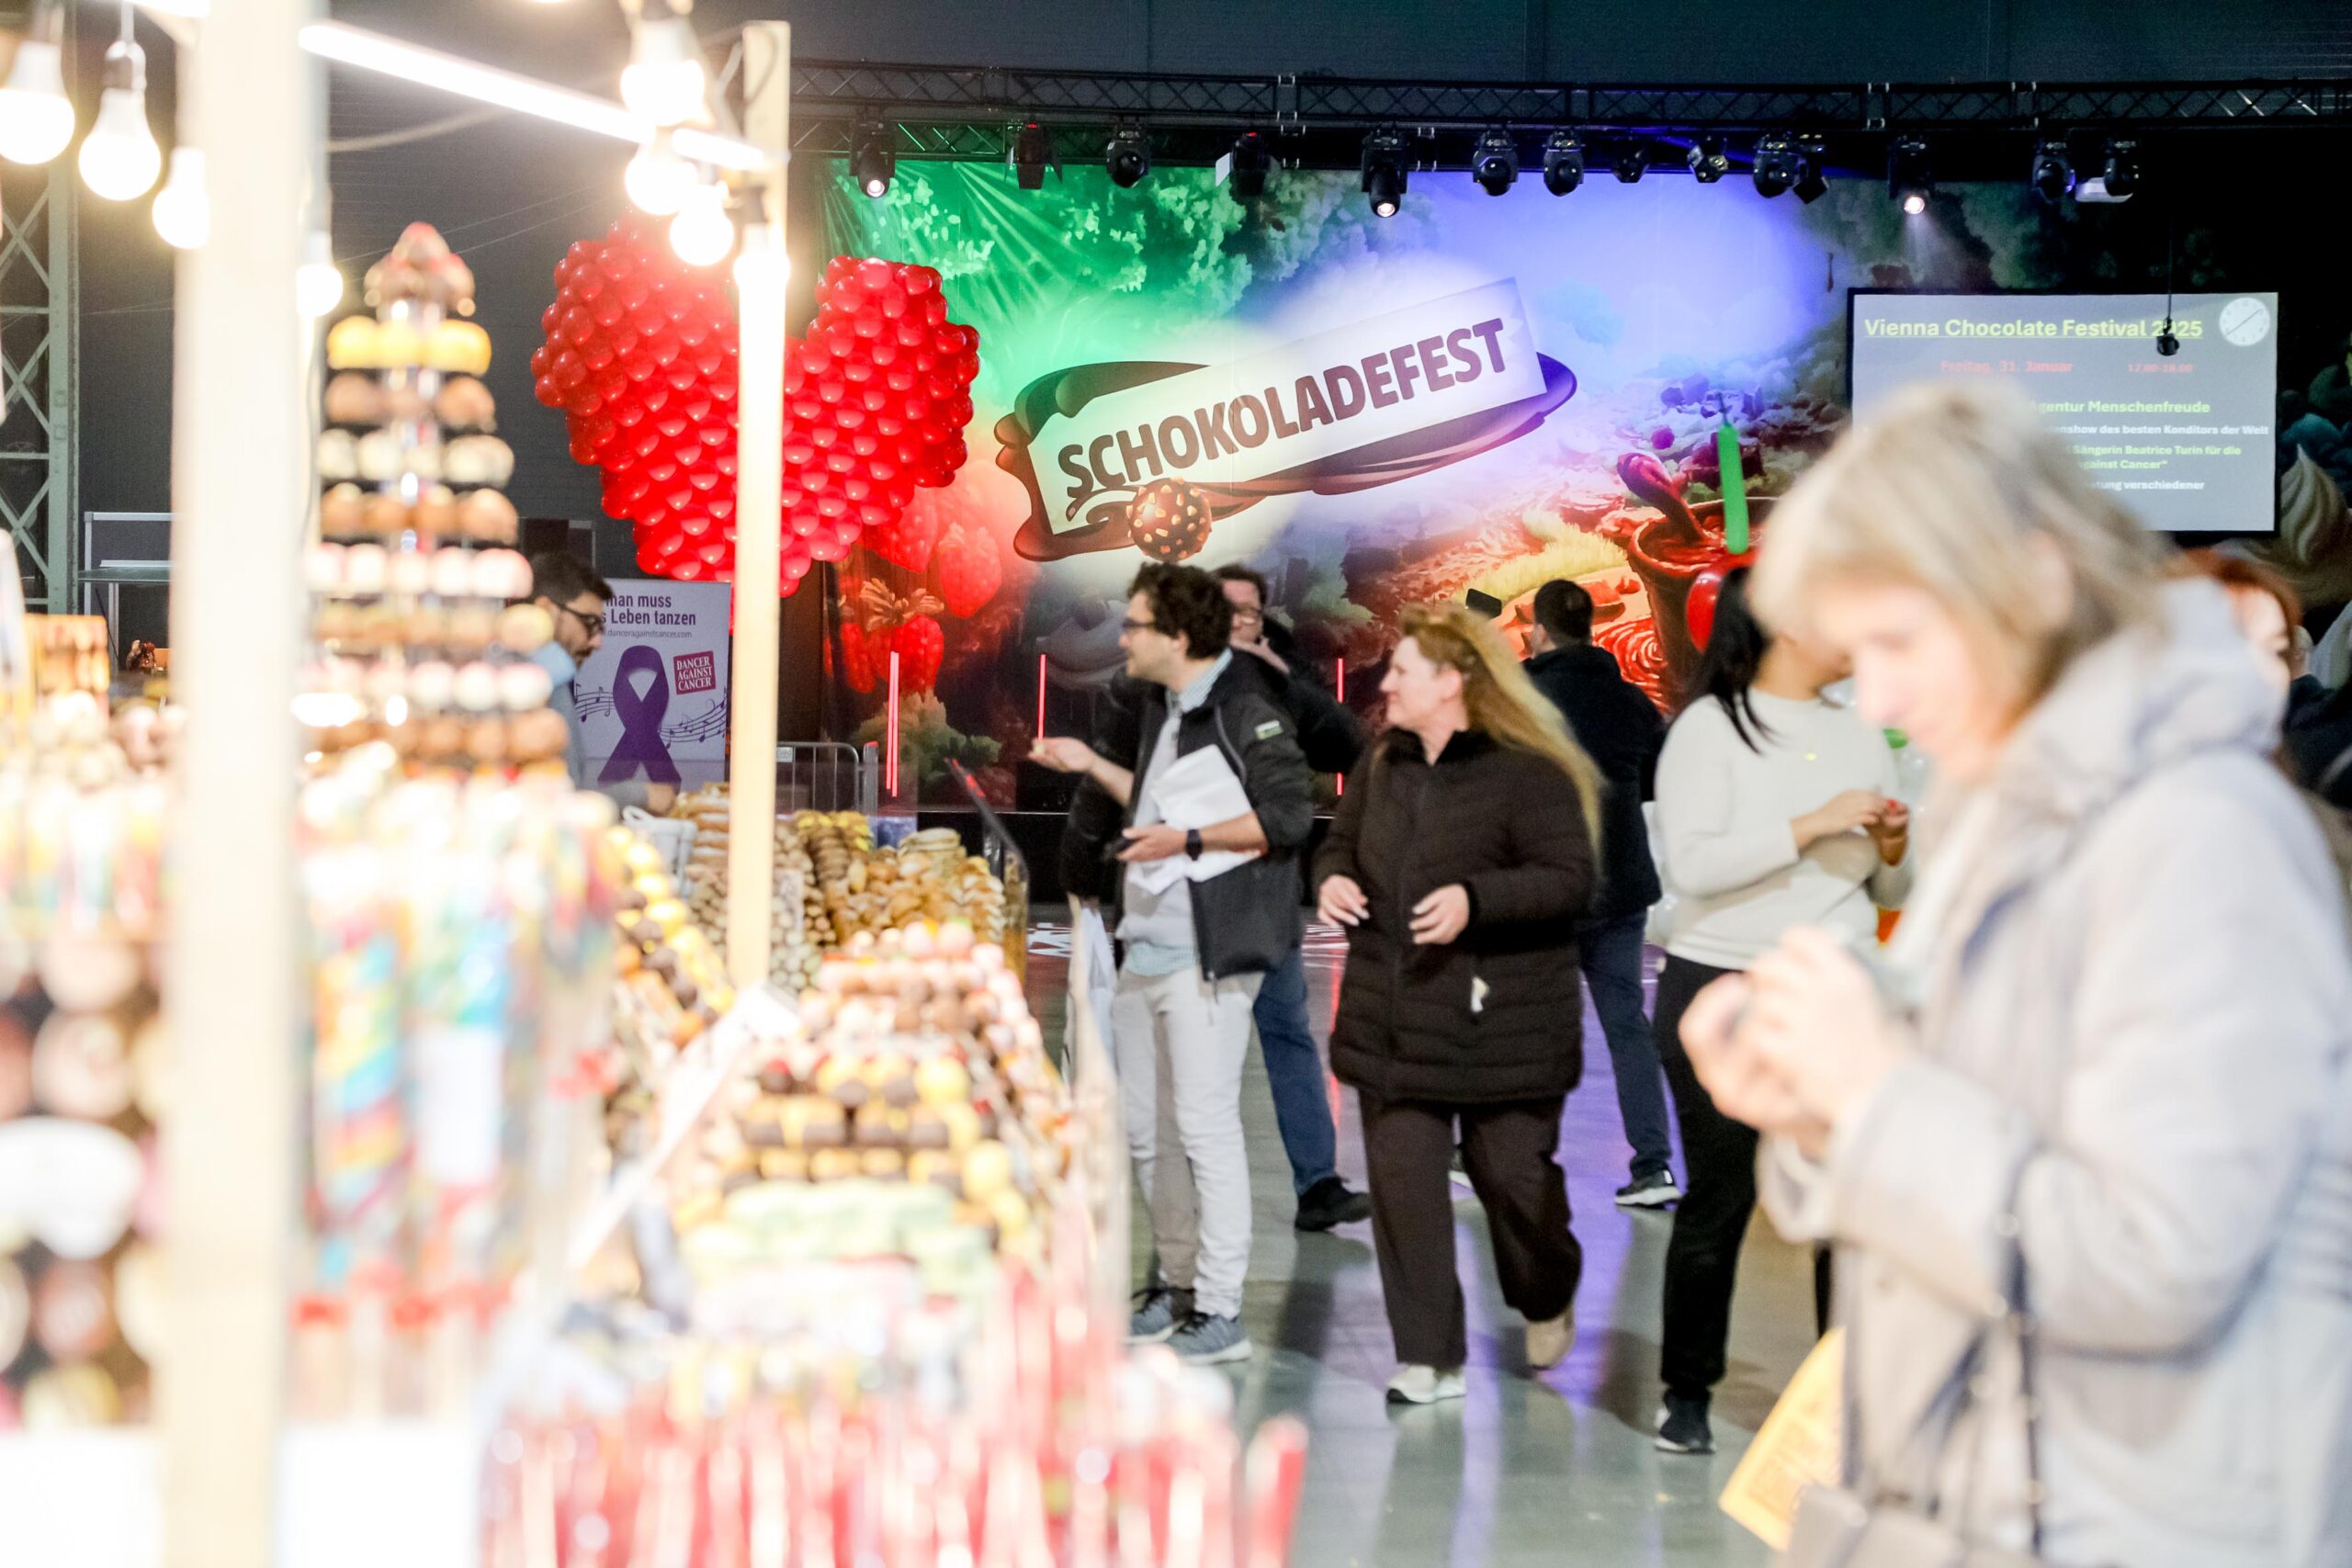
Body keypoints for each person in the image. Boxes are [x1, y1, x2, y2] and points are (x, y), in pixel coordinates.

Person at [1684, 383, 2352, 1566]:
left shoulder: (2202, 836)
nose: (1876, 697)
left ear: (2037, 584)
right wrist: (1816, 1107)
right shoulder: (2011, 822)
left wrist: (1872, 1093)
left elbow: (2153, 1261)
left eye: (1897, 642)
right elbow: (1976, 1150)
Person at [1649, 567, 1910, 1456]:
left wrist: (1893, 845)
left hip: (1839, 991)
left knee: (1845, 1211)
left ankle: (1844, 1404)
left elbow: (1891, 888)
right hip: (1722, 985)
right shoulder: (1708, 727)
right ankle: (1687, 1391)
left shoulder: (1859, 728)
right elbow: (1693, 866)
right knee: (1721, 1199)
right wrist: (1813, 822)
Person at [1312, 603, 1601, 1404]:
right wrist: (1331, 878)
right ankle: (1428, 1354)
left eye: (1403, 671)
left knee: (1512, 1177)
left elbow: (1568, 878)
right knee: (1403, 1183)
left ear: (1451, 681)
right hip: (1395, 1016)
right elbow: (1340, 844)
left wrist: (1477, 900)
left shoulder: (1528, 770)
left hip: (1504, 1024)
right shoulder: (1384, 762)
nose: (1387, 685)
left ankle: (1546, 1290)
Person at [1031, 564, 1315, 1365]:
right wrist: (1090, 765)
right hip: (1146, 944)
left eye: (1135, 626)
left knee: (1204, 1125)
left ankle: (1222, 1306)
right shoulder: (1165, 706)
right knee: (1148, 1131)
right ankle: (1176, 1284)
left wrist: (1187, 841)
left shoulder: (1245, 708)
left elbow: (1289, 815)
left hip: (1208, 955)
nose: (1121, 639)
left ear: (1179, 637)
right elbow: (1156, 804)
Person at [1212, 564, 1373, 1232]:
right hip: (1191, 892)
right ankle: (1195, 1207)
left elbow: (1347, 743)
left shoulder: (1277, 673)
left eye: (1247, 613)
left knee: (1288, 1033)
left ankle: (1319, 1184)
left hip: (1268, 886)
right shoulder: (1164, 681)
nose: (1236, 624)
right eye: (1224, 612)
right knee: (1200, 1054)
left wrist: (1282, 679)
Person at [1522, 579, 1679, 1209]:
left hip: (1549, 889)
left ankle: (1514, 1155)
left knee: (1533, 1025)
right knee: (1627, 1026)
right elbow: (1654, 782)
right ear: (1591, 629)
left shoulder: (1521, 699)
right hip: (1622, 888)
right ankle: (1654, 1166)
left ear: (1539, 630)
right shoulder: (1632, 702)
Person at [525, 552, 673, 812]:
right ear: (546, 610)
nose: (596, 642)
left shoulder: (549, 680)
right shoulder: (523, 687)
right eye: (589, 623)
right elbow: (555, 810)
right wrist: (638, 795)